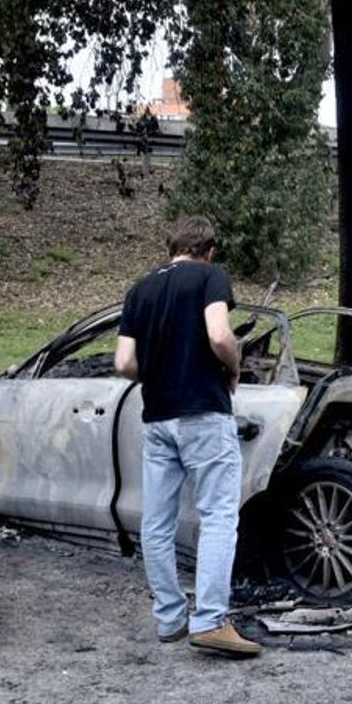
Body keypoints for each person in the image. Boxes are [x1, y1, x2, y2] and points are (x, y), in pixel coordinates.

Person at [114, 217, 260, 657]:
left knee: (156, 523)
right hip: (202, 412)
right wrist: (233, 367)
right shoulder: (210, 277)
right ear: (209, 250)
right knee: (217, 516)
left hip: (157, 418)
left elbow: (123, 363)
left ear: (171, 247)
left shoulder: (140, 289)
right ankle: (211, 620)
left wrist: (157, 373)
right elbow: (218, 334)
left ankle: (170, 618)